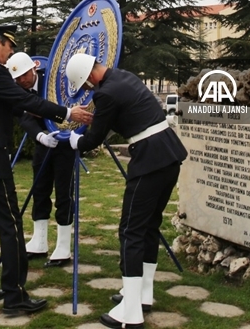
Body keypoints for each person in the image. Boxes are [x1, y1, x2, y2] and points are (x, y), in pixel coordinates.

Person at [0, 25, 94, 316]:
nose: (10, 53)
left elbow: (10, 107)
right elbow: (24, 100)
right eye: (8, 47)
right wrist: (67, 113)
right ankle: (15, 296)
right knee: (10, 225)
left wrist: (39, 117)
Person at [64, 53, 187, 329]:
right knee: (149, 227)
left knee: (130, 230)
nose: (88, 90)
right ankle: (143, 294)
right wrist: (96, 117)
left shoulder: (105, 93)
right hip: (169, 156)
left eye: (85, 85)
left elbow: (95, 138)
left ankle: (130, 312)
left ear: (88, 77)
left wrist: (74, 140)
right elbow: (124, 115)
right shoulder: (124, 77)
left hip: (149, 162)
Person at [9, 53, 74, 268]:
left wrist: (59, 129)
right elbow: (23, 116)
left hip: (64, 141)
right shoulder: (17, 89)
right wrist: (40, 136)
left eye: (24, 77)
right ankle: (39, 241)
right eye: (17, 79)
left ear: (33, 70)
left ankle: (63, 246)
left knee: (64, 193)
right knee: (40, 189)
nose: (21, 82)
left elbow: (66, 105)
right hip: (43, 142)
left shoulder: (53, 79)